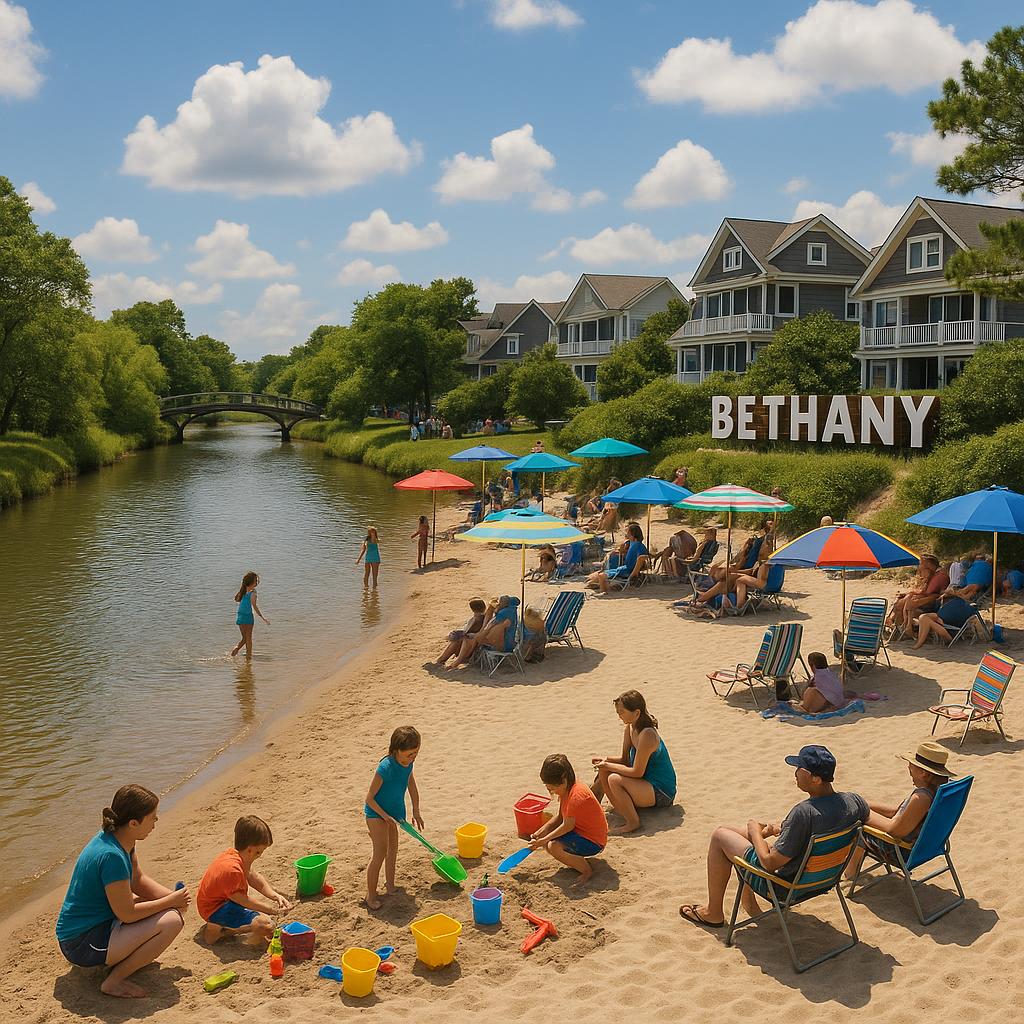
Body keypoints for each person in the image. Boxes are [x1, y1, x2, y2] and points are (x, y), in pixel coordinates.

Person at [678, 745, 868, 927]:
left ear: (816, 779)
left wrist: (754, 831)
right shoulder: (853, 802)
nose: (795, 772)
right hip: (823, 880)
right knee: (731, 830)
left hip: (784, 887)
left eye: (799, 768)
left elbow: (770, 863)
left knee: (720, 836)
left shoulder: (804, 813)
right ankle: (750, 905)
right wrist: (773, 830)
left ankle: (713, 913)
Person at [56, 785, 188, 998]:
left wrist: (174, 900)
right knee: (172, 921)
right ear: (134, 822)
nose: (156, 822)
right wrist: (170, 902)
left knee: (166, 908)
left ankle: (124, 960)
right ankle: (114, 981)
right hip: (80, 943)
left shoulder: (121, 838)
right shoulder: (112, 857)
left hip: (98, 923)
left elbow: (138, 880)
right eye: (152, 817)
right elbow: (126, 914)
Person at [844, 741, 956, 880]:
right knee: (860, 812)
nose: (909, 768)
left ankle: (850, 874)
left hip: (903, 852)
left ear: (923, 773)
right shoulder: (942, 790)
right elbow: (898, 812)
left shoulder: (921, 798)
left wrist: (863, 814)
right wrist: (862, 803)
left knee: (858, 829)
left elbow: (895, 830)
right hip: (929, 847)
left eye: (912, 766)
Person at [197, 815, 293, 945]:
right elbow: (243, 900)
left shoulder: (235, 855)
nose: (260, 856)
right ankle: (219, 930)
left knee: (262, 919)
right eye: (259, 852)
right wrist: (271, 910)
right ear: (250, 849)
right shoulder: (233, 869)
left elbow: (254, 877)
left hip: (219, 901)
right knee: (266, 926)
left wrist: (275, 896)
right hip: (215, 909)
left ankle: (218, 927)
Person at [592, 690, 676, 834]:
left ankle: (632, 822)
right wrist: (606, 760)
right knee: (604, 771)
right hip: (645, 785)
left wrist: (608, 765)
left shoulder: (647, 735)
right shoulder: (630, 728)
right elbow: (625, 760)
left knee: (614, 779)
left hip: (662, 792)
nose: (619, 715)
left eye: (622, 712)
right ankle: (596, 809)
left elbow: (637, 772)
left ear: (636, 713)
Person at [364, 726, 424, 910]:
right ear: (396, 750)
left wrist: (415, 809)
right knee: (380, 854)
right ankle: (370, 895)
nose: (413, 758)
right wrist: (384, 816)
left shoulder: (408, 764)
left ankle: (390, 886)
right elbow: (369, 799)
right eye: (409, 755)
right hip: (376, 814)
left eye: (416, 753)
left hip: (394, 814)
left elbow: (411, 784)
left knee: (393, 852)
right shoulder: (386, 767)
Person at [529, 754, 608, 885]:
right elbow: (560, 817)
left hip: (594, 841)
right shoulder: (567, 789)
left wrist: (545, 839)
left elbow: (567, 826)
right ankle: (575, 861)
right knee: (549, 844)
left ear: (564, 780)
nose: (552, 792)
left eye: (553, 788)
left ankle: (586, 871)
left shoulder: (576, 796)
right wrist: (539, 833)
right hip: (580, 832)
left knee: (553, 846)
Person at [452, 595, 519, 666]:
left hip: (502, 646)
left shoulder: (502, 615)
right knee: (471, 638)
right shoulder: (511, 612)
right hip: (507, 643)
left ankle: (460, 660)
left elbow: (488, 632)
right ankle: (460, 659)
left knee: (469, 639)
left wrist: (476, 635)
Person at [889, 555, 947, 634]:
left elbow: (929, 592)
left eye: (921, 563)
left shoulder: (940, 576)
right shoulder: (931, 574)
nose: (920, 566)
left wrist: (913, 594)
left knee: (902, 604)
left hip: (931, 604)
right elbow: (924, 590)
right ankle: (900, 629)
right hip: (926, 601)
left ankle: (903, 628)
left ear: (929, 564)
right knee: (901, 603)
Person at [586, 523, 647, 593]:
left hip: (626, 570)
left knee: (601, 575)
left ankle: (604, 592)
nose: (627, 535)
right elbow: (642, 556)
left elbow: (641, 558)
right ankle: (605, 590)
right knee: (601, 574)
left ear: (633, 535)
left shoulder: (637, 546)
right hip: (625, 568)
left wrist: (634, 573)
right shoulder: (637, 544)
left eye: (628, 534)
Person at [433, 598, 487, 667]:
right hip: (472, 642)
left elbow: (468, 631)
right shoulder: (484, 617)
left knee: (456, 642)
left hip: (473, 644)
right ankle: (442, 660)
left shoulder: (477, 619)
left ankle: (442, 660)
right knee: (457, 641)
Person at [911, 594, 978, 648]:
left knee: (925, 619)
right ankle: (920, 641)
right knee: (923, 617)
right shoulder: (965, 606)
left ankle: (920, 642)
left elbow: (943, 616)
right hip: (951, 623)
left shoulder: (954, 604)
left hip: (950, 626)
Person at [231, 571, 269, 659]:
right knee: (248, 638)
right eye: (256, 581)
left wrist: (242, 588)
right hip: (248, 617)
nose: (256, 583)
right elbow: (254, 605)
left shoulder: (243, 591)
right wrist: (262, 617)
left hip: (240, 616)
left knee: (244, 638)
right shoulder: (253, 593)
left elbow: (236, 599)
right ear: (252, 583)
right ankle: (248, 657)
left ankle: (236, 649)